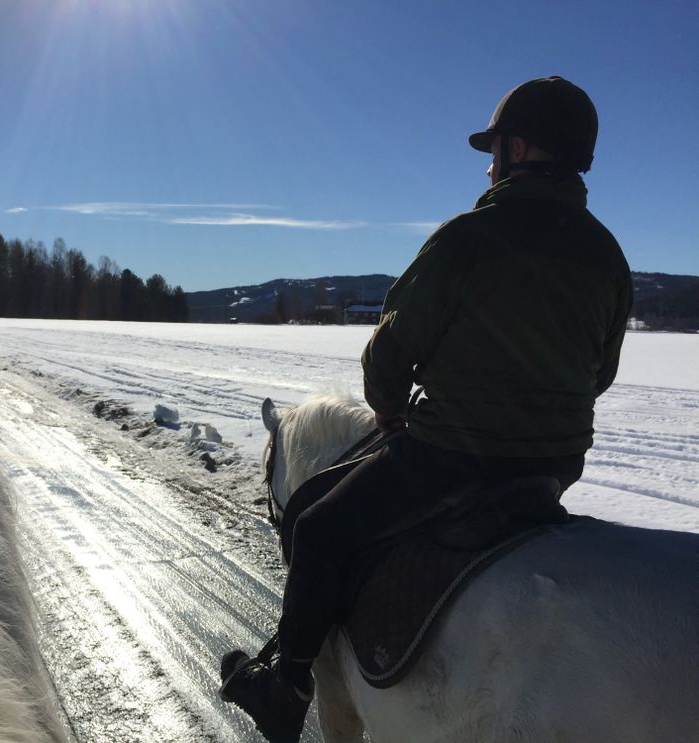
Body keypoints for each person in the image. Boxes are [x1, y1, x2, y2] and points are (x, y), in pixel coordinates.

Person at [219, 76, 633, 743]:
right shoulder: (607, 254)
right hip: (551, 468)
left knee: (320, 527)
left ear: (520, 148)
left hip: (450, 458)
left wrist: (388, 412)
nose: (491, 165)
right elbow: (602, 372)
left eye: (496, 150)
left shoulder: (469, 237)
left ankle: (284, 685)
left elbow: (389, 355)